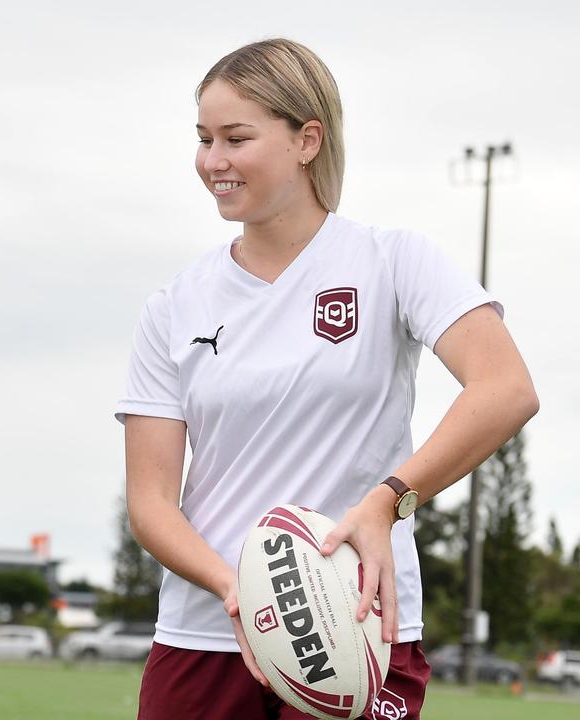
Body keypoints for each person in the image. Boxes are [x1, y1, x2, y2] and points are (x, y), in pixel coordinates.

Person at [117, 38, 537, 720]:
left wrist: (387, 502)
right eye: (202, 139)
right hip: (204, 634)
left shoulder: (391, 261)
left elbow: (504, 389)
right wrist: (239, 590)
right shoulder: (173, 305)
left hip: (357, 627)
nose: (212, 161)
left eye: (235, 138)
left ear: (306, 139)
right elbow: (151, 503)